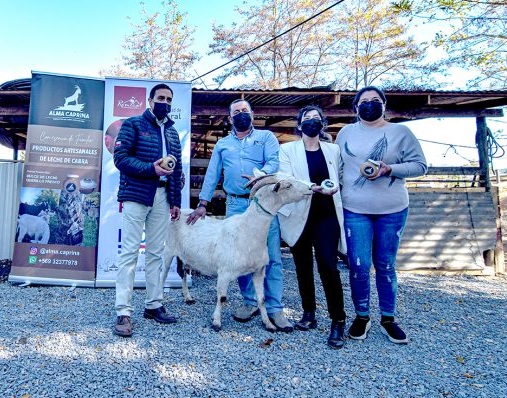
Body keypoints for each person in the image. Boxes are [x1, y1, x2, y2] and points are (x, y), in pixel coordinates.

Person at [187, 99, 294, 332]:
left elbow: (273, 162)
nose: (241, 114)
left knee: (271, 256)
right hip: (235, 205)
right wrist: (202, 203)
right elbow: (213, 173)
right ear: (230, 118)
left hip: (263, 204)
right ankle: (249, 302)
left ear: (252, 114)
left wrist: (260, 175)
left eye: (245, 111)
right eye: (236, 112)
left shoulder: (266, 137)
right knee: (239, 256)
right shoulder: (222, 144)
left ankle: (275, 308)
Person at [336, 86, 427, 344]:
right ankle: (361, 316)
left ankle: (388, 318)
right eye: (363, 101)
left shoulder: (400, 132)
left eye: (375, 100)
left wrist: (390, 169)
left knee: (386, 265)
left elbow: (420, 165)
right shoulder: (345, 133)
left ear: (384, 105)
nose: (369, 104)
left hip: (392, 209)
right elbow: (338, 167)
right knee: (359, 265)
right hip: (355, 209)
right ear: (355, 108)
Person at [112, 83, 183, 338]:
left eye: (169, 99)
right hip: (137, 194)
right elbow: (120, 159)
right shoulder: (133, 124)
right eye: (161, 97)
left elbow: (178, 170)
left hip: (164, 197)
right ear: (150, 100)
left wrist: (176, 200)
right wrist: (150, 169)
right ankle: (123, 311)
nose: (165, 102)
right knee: (130, 252)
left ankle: (153, 305)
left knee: (156, 253)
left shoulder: (173, 133)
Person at [277, 105, 347, 349]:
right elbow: (286, 179)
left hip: (326, 214)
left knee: (328, 265)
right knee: (302, 266)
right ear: (299, 125)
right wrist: (311, 187)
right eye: (307, 118)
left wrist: (336, 188)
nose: (312, 121)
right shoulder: (286, 149)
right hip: (299, 214)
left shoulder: (333, 149)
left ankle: (338, 320)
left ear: (323, 124)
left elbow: (341, 175)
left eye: (317, 118)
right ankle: (309, 312)